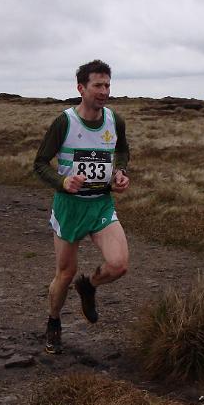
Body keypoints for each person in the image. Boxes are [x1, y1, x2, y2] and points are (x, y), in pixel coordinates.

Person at [33, 59, 131, 354]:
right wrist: (62, 183)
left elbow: (122, 149)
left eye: (108, 85)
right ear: (81, 88)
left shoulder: (115, 120)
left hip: (100, 203)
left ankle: (88, 286)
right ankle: (53, 322)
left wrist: (120, 172)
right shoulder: (65, 122)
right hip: (70, 207)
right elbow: (39, 164)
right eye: (98, 85)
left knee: (119, 265)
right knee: (64, 273)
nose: (104, 91)